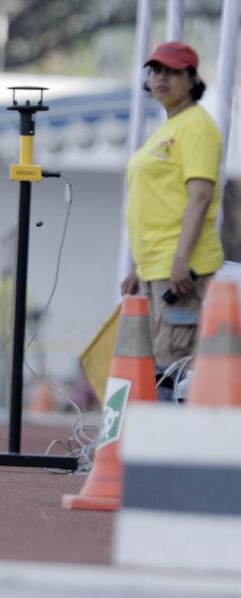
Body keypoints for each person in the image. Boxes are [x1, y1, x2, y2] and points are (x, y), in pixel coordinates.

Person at [122, 41, 224, 368]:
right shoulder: (169, 128)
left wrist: (181, 258)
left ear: (193, 79)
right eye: (156, 71)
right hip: (157, 266)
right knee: (158, 365)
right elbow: (160, 201)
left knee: (175, 367)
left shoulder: (196, 126)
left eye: (173, 71)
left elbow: (200, 196)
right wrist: (138, 268)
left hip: (180, 270)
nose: (161, 77)